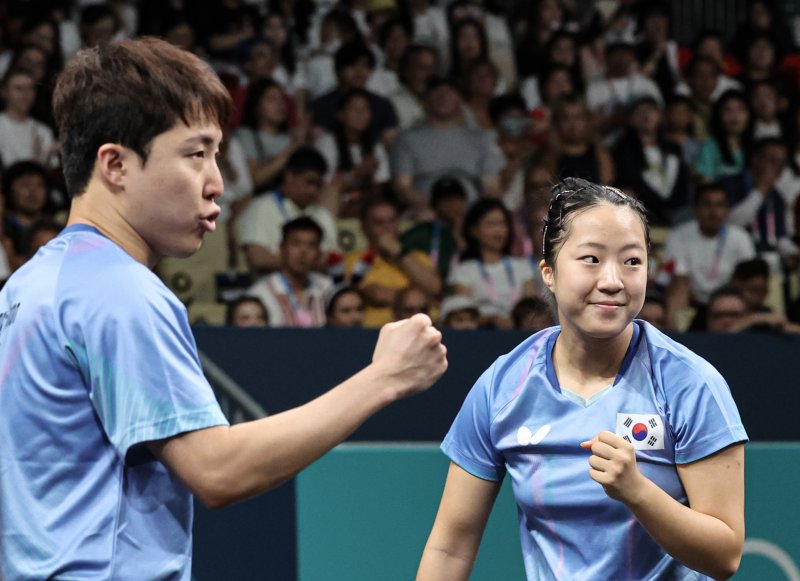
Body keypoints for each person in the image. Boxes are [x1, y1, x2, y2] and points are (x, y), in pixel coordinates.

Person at [0, 37, 448, 580]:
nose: (217, 184)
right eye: (196, 153)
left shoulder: (27, 285)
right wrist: (384, 379)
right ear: (115, 165)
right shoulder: (120, 293)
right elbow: (217, 470)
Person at [418, 177, 746, 581]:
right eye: (591, 259)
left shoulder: (690, 384)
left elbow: (725, 555)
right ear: (549, 273)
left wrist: (638, 492)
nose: (612, 280)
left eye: (632, 261)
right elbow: (450, 547)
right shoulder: (503, 386)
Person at [245, 216, 333, 328]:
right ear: (282, 248)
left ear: (319, 252)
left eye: (311, 245)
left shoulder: (328, 288)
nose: (303, 252)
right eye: (296, 244)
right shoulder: (260, 294)